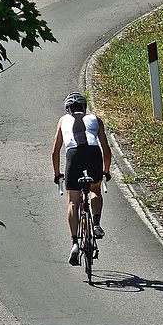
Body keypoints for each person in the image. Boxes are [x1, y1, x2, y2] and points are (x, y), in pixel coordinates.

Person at [51, 91, 112, 266]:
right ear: (85, 107)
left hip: (73, 155)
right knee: (95, 189)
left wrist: (57, 175)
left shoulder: (63, 120)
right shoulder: (96, 119)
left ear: (68, 109)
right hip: (94, 153)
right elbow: (106, 151)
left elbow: (55, 151)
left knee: (73, 201)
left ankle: (75, 243)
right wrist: (105, 171)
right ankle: (96, 224)